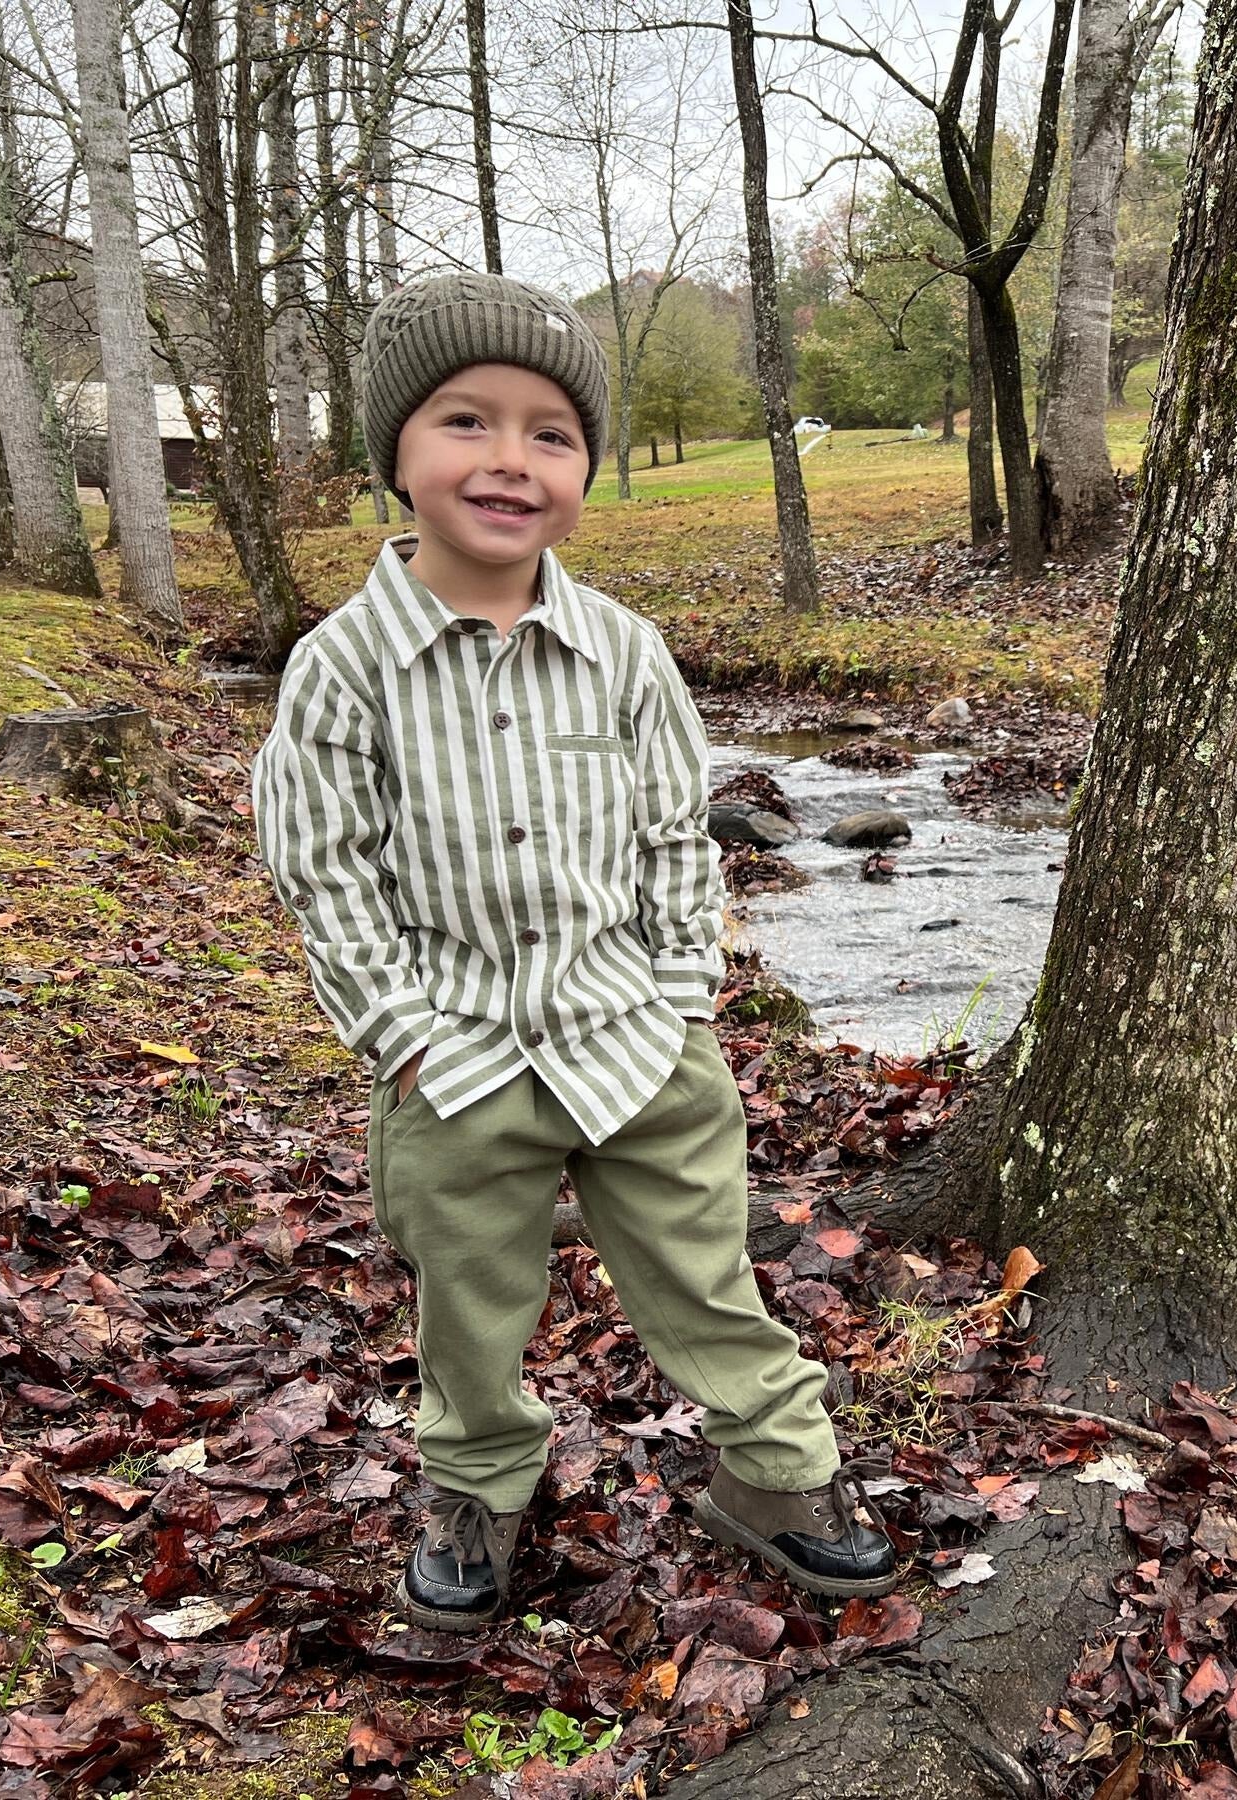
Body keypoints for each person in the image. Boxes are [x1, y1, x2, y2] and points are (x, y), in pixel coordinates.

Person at [251, 271, 896, 1631]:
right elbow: (322, 865)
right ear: (398, 455)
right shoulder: (343, 667)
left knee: (706, 1272)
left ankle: (776, 1473)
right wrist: (406, 1035)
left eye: (552, 433)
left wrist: (681, 1000)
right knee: (470, 1304)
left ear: (585, 467)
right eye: (465, 422)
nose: (509, 461)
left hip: (633, 1038)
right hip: (456, 1057)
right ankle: (478, 1483)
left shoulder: (624, 654)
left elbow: (675, 831)